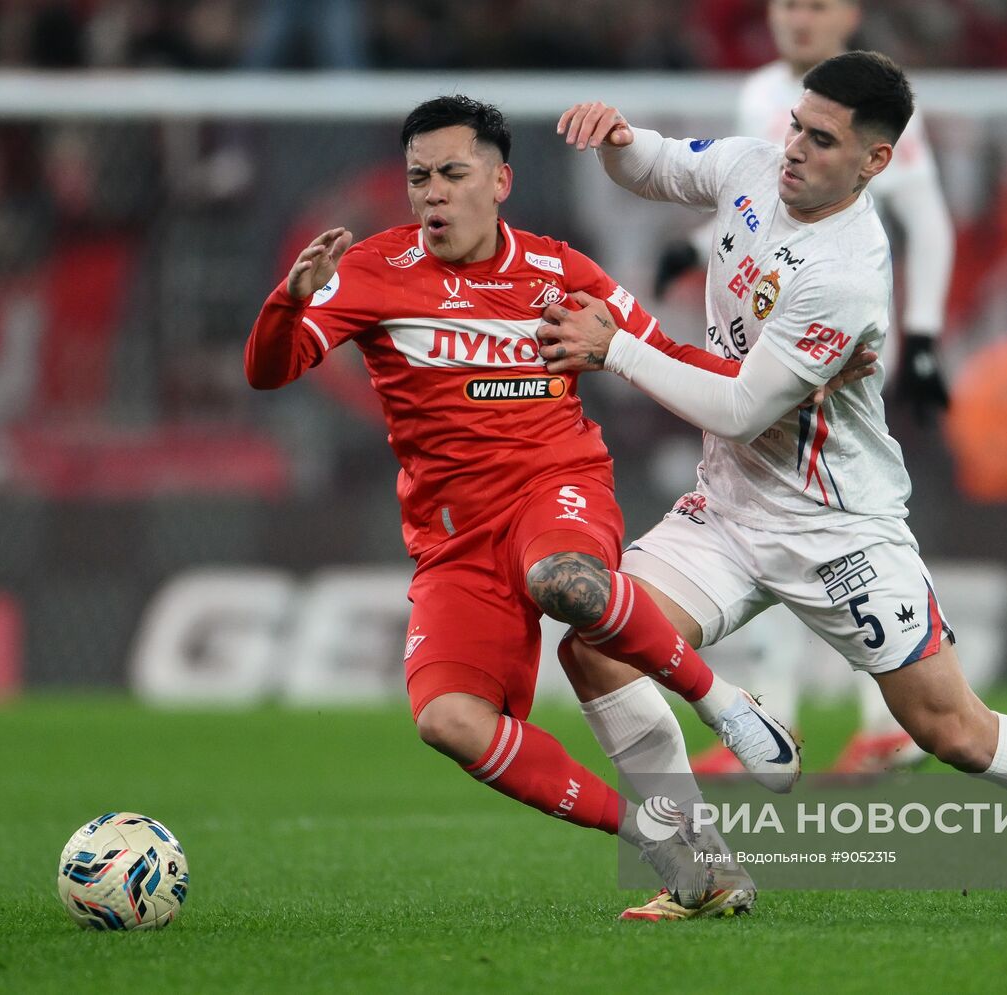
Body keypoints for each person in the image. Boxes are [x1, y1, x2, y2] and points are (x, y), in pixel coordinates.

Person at [542, 52, 1007, 913]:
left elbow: (743, 407)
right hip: (729, 508)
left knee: (952, 730)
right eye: (797, 125)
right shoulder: (754, 164)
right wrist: (618, 138)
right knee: (596, 644)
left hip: (839, 529)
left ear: (874, 161)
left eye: (822, 141)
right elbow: (663, 166)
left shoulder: (846, 275)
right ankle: (702, 868)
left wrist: (617, 349)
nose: (794, 150)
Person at [244, 95, 841, 918]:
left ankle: (726, 705)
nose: (433, 195)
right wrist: (287, 300)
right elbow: (269, 371)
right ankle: (663, 841)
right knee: (450, 720)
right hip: (453, 540)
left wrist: (781, 392)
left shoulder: (562, 273)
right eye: (419, 178)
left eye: (453, 173)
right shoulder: (375, 272)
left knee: (565, 579)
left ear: (500, 181)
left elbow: (665, 356)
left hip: (554, 488)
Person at [662, 0, 963, 777]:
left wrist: (923, 336)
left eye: (818, 5)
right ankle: (778, 713)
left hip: (831, 332)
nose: (799, 18)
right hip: (766, 326)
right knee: (772, 513)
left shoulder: (874, 106)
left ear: (850, 16)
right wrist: (693, 246)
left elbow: (926, 217)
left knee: (830, 514)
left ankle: (886, 717)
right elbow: (753, 198)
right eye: (788, 3)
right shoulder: (762, 94)